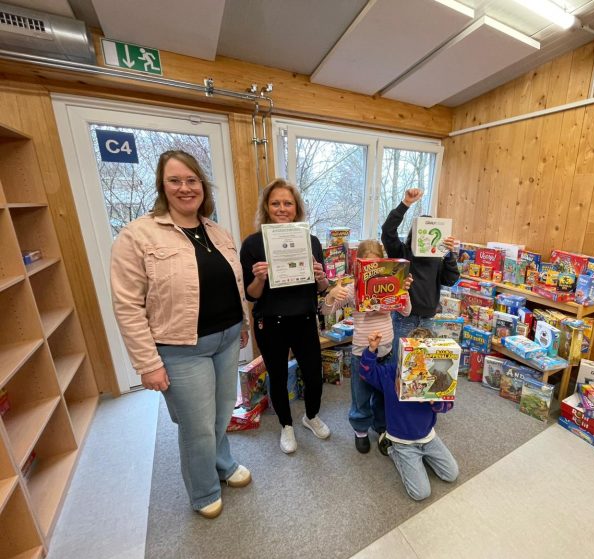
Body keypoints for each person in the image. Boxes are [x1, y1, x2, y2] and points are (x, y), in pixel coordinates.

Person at [111, 150, 251, 519]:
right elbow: (127, 305)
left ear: (203, 186)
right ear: (162, 186)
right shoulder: (137, 235)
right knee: (197, 426)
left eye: (192, 180)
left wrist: (243, 328)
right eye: (175, 181)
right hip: (180, 349)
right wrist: (147, 363)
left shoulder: (217, 232)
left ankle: (223, 463)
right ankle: (204, 491)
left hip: (226, 339)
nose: (185, 188)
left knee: (222, 415)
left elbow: (234, 286)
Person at [240, 178, 331, 455]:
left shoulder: (311, 241)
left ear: (296, 208)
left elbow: (323, 288)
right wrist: (259, 277)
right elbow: (251, 295)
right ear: (266, 208)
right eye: (275, 203)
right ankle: (286, 425)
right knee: (277, 376)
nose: (282, 208)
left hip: (303, 319)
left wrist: (321, 278)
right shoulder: (253, 244)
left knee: (314, 375)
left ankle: (310, 416)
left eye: (287, 203)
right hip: (270, 322)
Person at [321, 240, 412, 454]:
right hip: (362, 352)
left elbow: (406, 312)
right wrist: (332, 294)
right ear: (358, 267)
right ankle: (360, 430)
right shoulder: (353, 289)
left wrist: (404, 292)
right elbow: (326, 311)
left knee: (383, 394)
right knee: (361, 393)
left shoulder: (392, 283)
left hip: (387, 350)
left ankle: (381, 427)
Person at [360, 330, 459, 501]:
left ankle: (420, 457)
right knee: (421, 493)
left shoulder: (437, 376)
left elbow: (448, 404)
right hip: (402, 442)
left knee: (451, 474)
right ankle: (391, 449)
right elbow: (366, 373)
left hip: (428, 437)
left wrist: (433, 401)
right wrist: (371, 350)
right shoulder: (391, 373)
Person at [381, 188, 460, 362]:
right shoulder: (403, 253)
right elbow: (387, 231)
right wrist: (406, 203)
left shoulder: (438, 258)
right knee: (399, 365)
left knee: (421, 367)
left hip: (428, 319)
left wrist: (448, 254)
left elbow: (451, 279)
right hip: (404, 319)